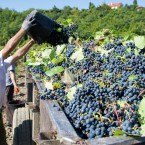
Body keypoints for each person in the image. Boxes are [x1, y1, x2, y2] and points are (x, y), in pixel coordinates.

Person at [0, 18, 36, 111]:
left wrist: (32, 41)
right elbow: (9, 48)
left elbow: (18, 54)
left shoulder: (3, 65)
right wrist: (24, 29)